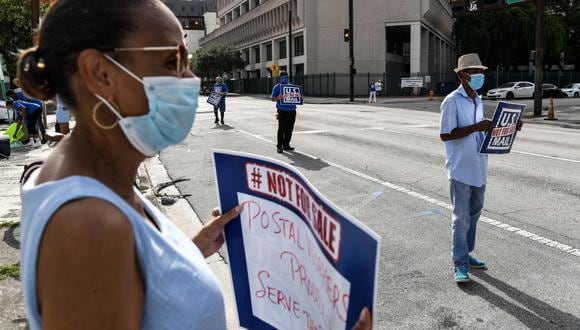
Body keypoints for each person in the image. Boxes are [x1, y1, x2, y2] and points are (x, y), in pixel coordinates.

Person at [16, 1, 373, 329]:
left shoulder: (96, 177)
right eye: (173, 62)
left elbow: (139, 284)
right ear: (100, 74)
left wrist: (192, 246)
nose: (190, 79)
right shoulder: (89, 227)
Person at [439, 53, 522, 283]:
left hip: (479, 166)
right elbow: (446, 134)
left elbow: (482, 131)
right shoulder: (451, 101)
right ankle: (460, 264)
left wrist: (510, 126)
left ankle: (466, 253)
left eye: (481, 72)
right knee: (461, 218)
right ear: (463, 75)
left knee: (474, 215)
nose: (481, 76)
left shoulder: (476, 99)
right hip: (460, 169)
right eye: (476, 72)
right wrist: (477, 126)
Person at [13, 78, 48, 144]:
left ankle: (41, 139)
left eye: (16, 83)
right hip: (36, 106)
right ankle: (37, 139)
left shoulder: (20, 92)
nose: (15, 85)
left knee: (37, 123)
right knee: (36, 123)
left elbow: (26, 103)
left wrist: (20, 116)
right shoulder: (26, 88)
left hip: (36, 108)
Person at [271, 71, 297, 154]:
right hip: (282, 111)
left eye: (286, 76)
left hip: (292, 111)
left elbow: (299, 98)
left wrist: (300, 97)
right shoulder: (277, 87)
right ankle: (279, 146)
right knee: (281, 129)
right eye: (283, 77)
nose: (285, 78)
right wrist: (279, 97)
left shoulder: (292, 87)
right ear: (280, 77)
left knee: (289, 129)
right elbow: (272, 99)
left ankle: (286, 145)